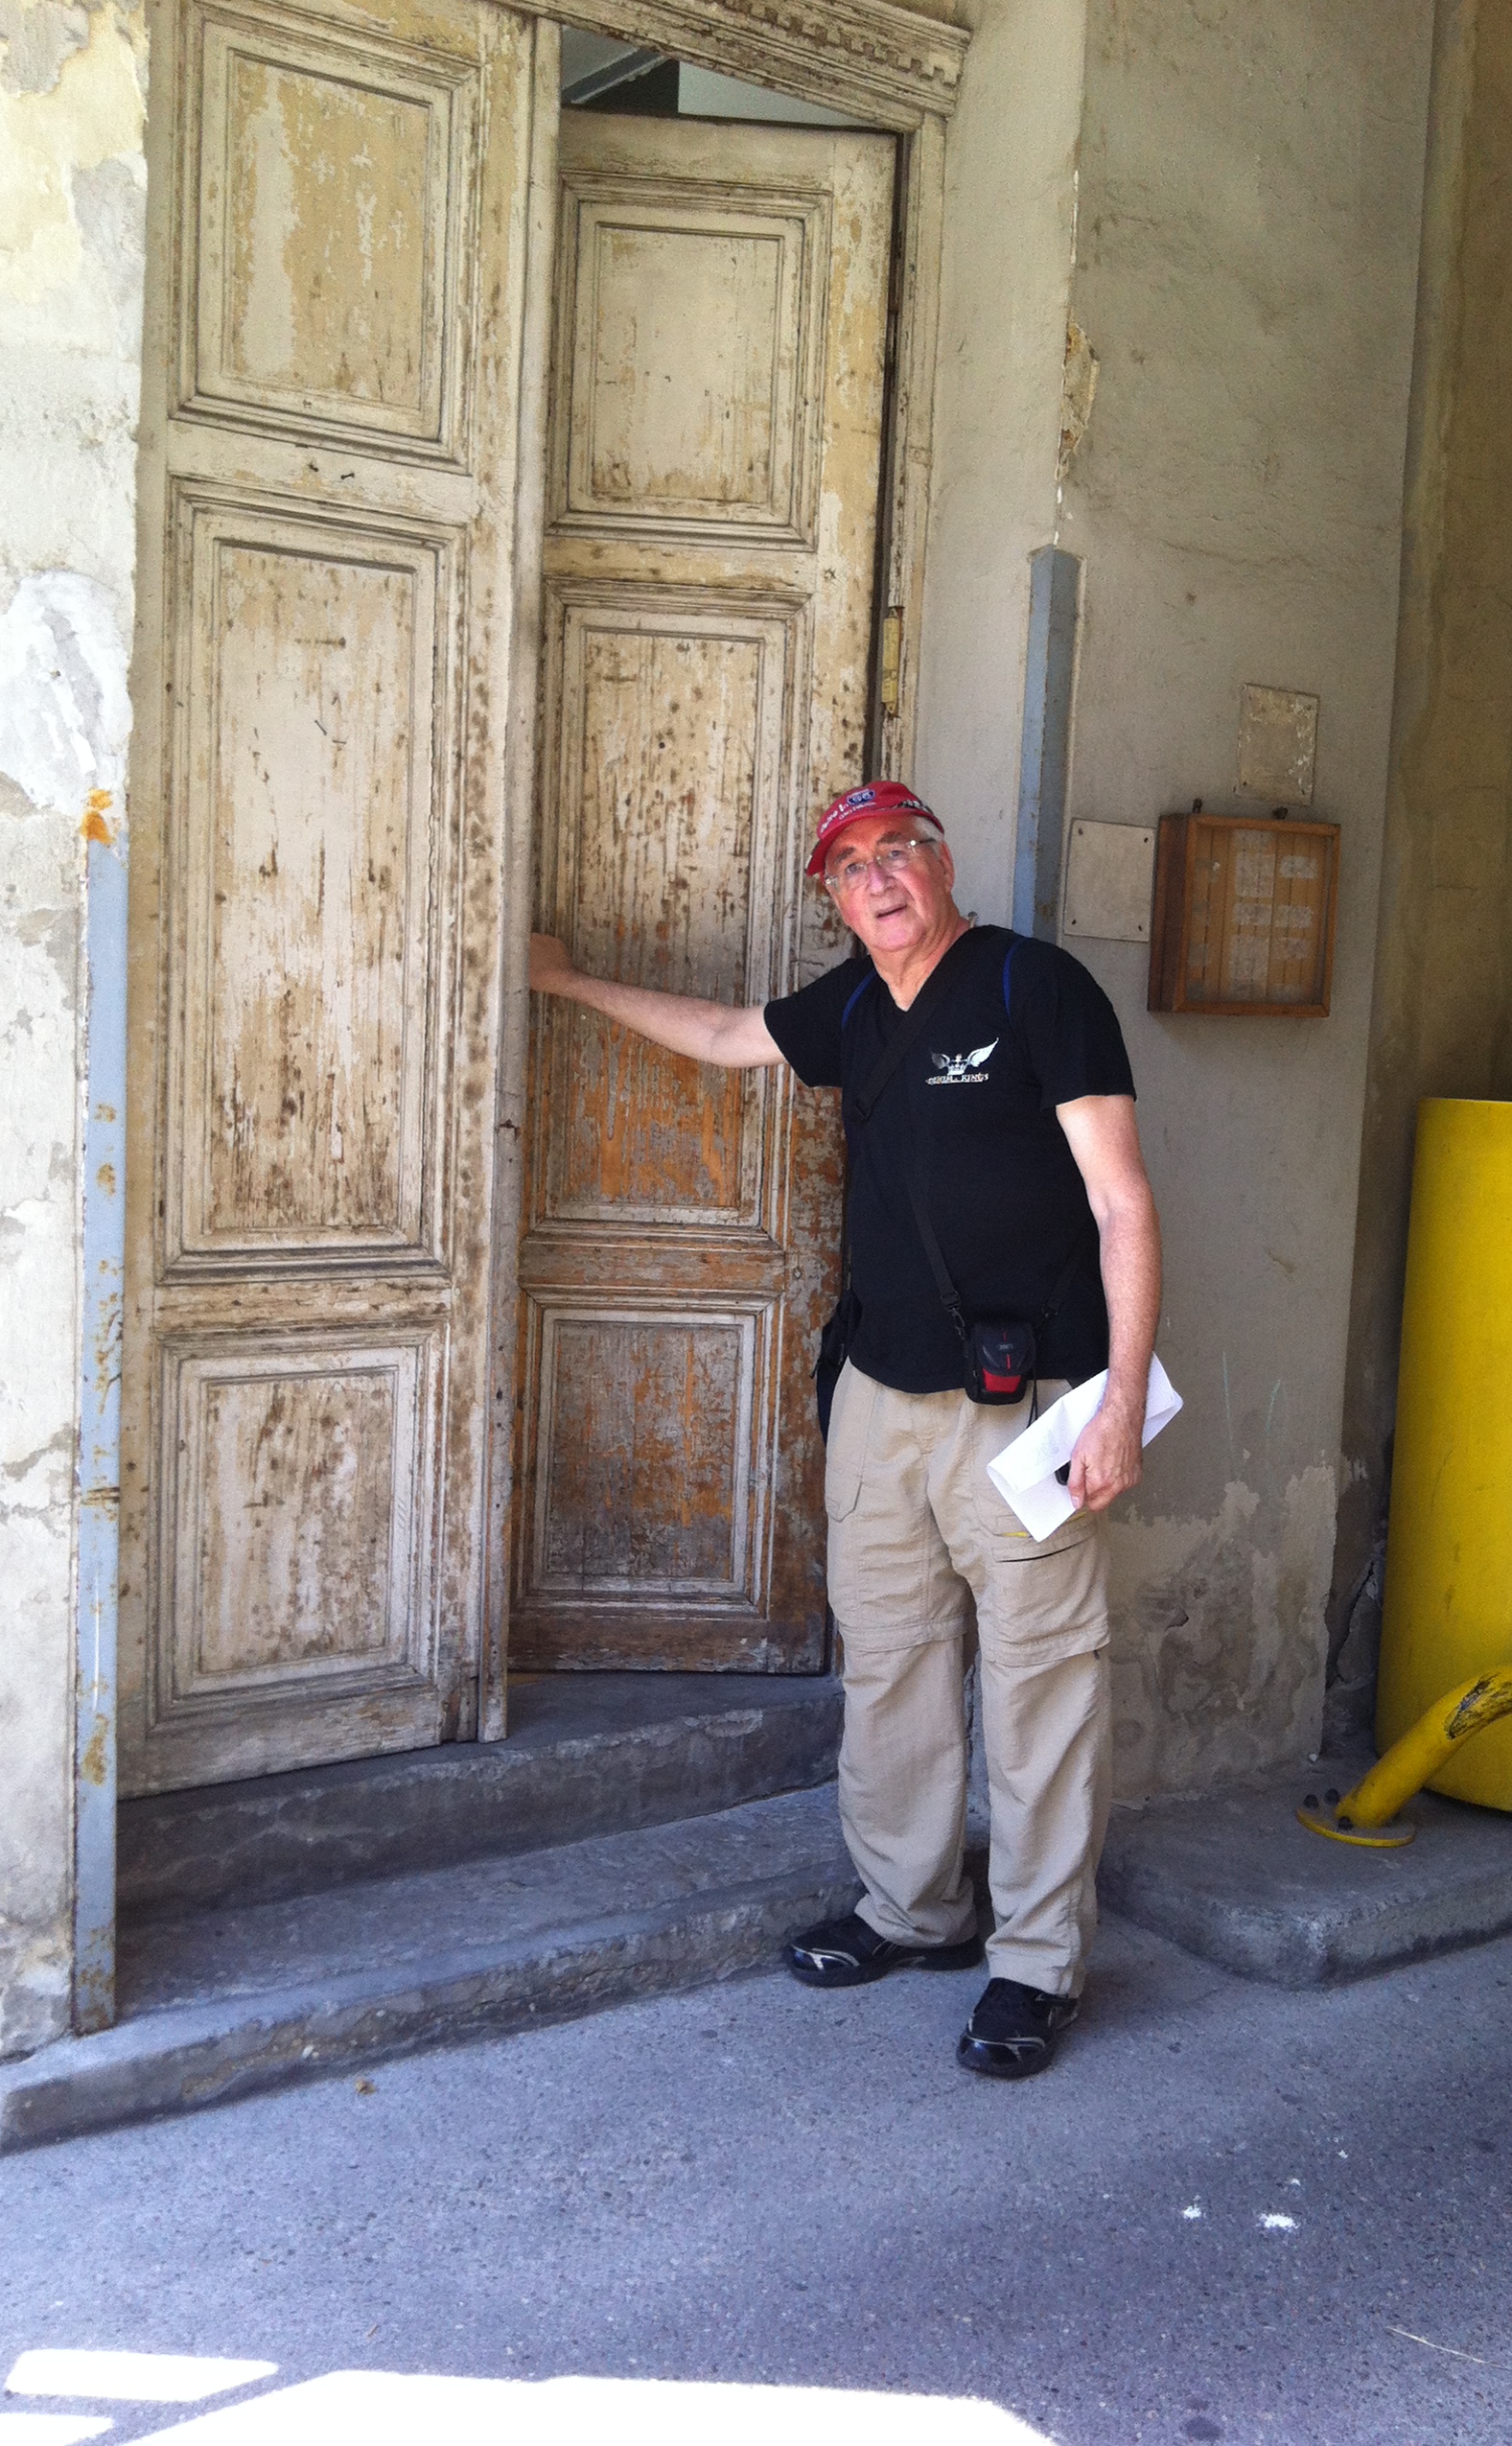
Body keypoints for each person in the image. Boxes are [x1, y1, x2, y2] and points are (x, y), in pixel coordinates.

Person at [527, 780, 1163, 2078]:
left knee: (1041, 1683)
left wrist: (1119, 1408)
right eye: (850, 866)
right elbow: (715, 1033)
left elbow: (1123, 1208)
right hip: (881, 1391)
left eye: (898, 855)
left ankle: (1036, 1966)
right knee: (893, 1666)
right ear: (832, 895)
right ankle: (913, 1911)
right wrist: (566, 984)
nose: (876, 880)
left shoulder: (1031, 991)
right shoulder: (858, 1004)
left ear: (942, 863)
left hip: (1029, 1399)